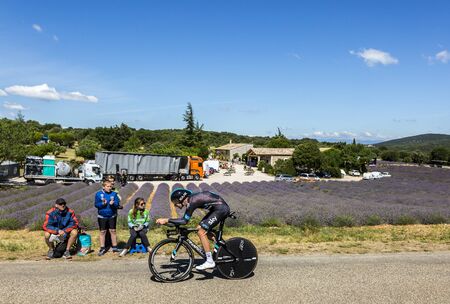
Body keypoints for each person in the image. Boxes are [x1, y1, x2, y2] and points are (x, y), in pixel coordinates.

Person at [156, 189, 230, 270]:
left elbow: (184, 221)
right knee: (199, 228)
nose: (175, 205)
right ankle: (222, 247)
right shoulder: (192, 199)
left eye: (175, 202)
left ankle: (209, 261)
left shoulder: (192, 201)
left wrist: (166, 220)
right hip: (217, 209)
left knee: (201, 232)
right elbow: (183, 221)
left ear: (181, 199)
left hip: (221, 209)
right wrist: (168, 222)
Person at [95, 180, 120, 256]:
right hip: (102, 216)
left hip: (112, 215)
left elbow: (117, 204)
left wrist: (113, 204)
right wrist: (102, 204)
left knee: (113, 231)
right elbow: (96, 204)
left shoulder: (114, 194)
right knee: (103, 232)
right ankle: (102, 248)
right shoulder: (98, 194)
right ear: (103, 187)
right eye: (107, 186)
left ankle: (115, 247)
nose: (109, 188)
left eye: (110, 186)